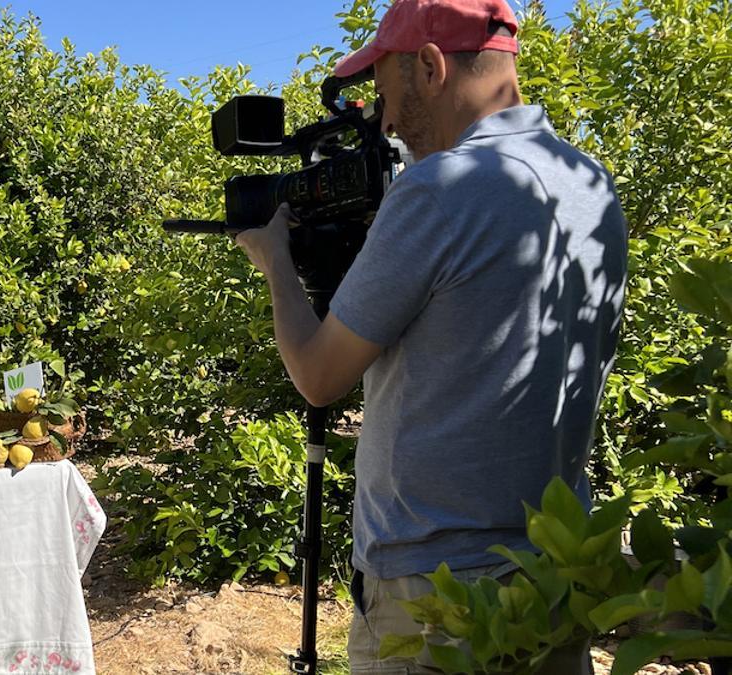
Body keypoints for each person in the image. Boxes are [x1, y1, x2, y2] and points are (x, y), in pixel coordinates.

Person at [235, 0, 628, 671]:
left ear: (430, 66)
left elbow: (318, 374)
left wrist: (274, 259)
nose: (385, 122)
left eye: (387, 94)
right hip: (555, 576)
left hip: (436, 597)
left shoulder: (436, 190)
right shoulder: (592, 185)